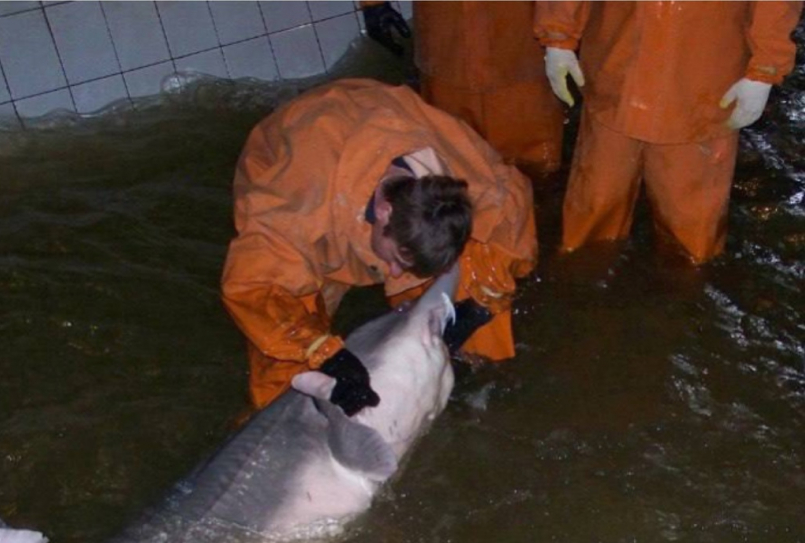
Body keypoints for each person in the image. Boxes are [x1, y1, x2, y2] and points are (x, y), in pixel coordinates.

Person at [221, 78, 537, 413]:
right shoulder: (298, 208)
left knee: (475, 270)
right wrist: (325, 353)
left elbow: (511, 213)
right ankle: (283, 434)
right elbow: (252, 284)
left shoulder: (469, 178)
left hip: (374, 134)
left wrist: (480, 306)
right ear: (384, 211)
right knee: (285, 355)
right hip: (305, 183)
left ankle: (466, 385)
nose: (395, 273)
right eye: (397, 261)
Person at [534, 1, 803, 264]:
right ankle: (582, 274)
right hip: (616, 71)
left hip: (703, 82)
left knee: (690, 229)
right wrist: (558, 36)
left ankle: (687, 291)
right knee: (596, 202)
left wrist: (764, 69)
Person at [362, 1, 565, 177]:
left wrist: (563, 30)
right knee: (451, 169)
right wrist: (374, 4)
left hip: (519, 49)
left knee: (536, 169)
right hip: (448, 51)